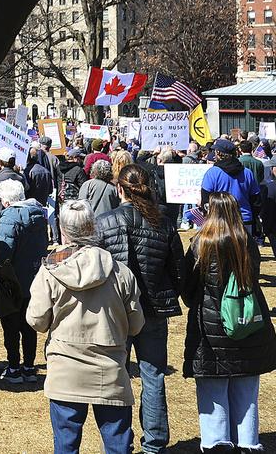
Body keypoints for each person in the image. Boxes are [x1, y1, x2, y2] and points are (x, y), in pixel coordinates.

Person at [27, 200, 145, 454]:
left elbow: (36, 321)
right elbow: (136, 324)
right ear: (93, 227)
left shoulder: (50, 271)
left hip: (65, 370)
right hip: (110, 371)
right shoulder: (121, 272)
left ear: (63, 230)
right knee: (118, 444)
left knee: (66, 445)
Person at [95, 164, 184, 454]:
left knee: (120, 377)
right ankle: (152, 443)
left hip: (120, 311)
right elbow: (178, 272)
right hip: (149, 310)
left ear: (119, 189)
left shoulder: (107, 222)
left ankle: (132, 442)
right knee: (151, 375)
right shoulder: (163, 223)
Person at [180, 192, 276, 453]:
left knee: (213, 390)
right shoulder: (245, 241)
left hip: (210, 330)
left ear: (209, 211)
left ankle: (216, 443)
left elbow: (188, 289)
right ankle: (247, 443)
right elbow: (253, 278)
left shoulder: (201, 242)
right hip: (248, 325)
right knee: (246, 391)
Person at [0, 178, 49, 384]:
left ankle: (14, 367)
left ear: (6, 201)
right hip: (33, 278)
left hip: (13, 281)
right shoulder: (38, 214)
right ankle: (29, 366)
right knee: (29, 325)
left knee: (11, 326)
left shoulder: (9, 218)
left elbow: (1, 253)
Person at [201, 139, 262, 235]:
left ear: (218, 153)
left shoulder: (212, 173)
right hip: (244, 220)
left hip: (219, 221)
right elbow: (256, 200)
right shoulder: (247, 173)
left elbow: (205, 200)